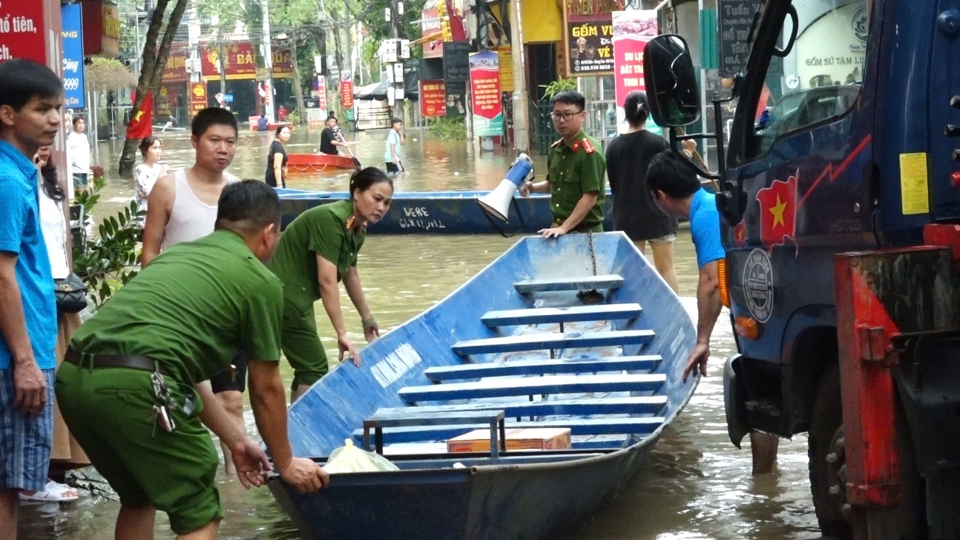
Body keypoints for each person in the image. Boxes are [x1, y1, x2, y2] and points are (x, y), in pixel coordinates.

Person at [57, 181, 329, 539]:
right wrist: (287, 462)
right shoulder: (260, 281)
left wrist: (235, 439)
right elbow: (265, 388)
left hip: (74, 377)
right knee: (199, 505)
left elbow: (178, 370)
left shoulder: (177, 256)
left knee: (138, 495)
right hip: (134, 384)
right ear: (268, 233)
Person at [646, 149, 779, 474]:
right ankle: (768, 480)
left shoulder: (705, 215)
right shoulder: (714, 203)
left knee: (759, 394)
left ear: (660, 196)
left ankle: (763, 479)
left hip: (755, 314)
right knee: (765, 391)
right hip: (767, 306)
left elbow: (710, 280)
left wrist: (702, 339)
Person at [142, 107, 244, 474]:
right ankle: (195, 475)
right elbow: (150, 250)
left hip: (227, 313)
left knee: (231, 399)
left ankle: (238, 490)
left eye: (230, 142)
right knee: (189, 401)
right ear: (195, 141)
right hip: (180, 314)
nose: (223, 149)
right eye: (215, 140)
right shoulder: (169, 187)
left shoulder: (239, 193)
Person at [0, 58, 63, 539]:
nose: (55, 119)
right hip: (12, 359)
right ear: (7, 114)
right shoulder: (5, 181)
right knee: (6, 486)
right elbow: (2, 276)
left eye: (58, 108)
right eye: (43, 109)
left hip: (22, 350)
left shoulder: (18, 174)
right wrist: (24, 360)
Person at [267, 167, 393, 402]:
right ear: (356, 193)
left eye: (387, 203)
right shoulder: (331, 220)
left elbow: (350, 274)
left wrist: (367, 319)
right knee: (314, 367)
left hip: (297, 298)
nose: (381, 208)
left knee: (306, 368)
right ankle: (298, 433)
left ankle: (291, 429)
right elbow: (327, 282)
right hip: (282, 294)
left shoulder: (357, 228)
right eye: (377, 199)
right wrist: (342, 333)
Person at [16, 148, 86, 504]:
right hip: (32, 298)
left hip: (59, 295)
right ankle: (32, 478)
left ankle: (53, 467)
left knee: (63, 380)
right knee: (35, 382)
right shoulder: (13, 184)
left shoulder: (47, 185)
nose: (42, 149)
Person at [605, 91, 680, 293]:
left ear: (625, 113)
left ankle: (636, 313)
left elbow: (614, 186)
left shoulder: (613, 147)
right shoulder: (659, 143)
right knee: (666, 269)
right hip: (659, 215)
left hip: (627, 217)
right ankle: (672, 314)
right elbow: (670, 176)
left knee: (633, 272)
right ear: (648, 114)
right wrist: (687, 152)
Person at [519, 90, 606, 238]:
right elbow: (553, 184)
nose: (561, 120)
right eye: (557, 115)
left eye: (567, 114)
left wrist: (564, 228)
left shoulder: (589, 153)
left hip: (586, 234)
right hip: (558, 230)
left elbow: (590, 198)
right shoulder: (556, 150)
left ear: (582, 116)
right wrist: (532, 188)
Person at [134, 136, 169, 224]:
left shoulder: (160, 168)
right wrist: (161, 174)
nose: (158, 151)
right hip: (145, 215)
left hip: (161, 214)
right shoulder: (140, 169)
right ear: (145, 150)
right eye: (154, 148)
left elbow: (168, 192)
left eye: (159, 148)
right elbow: (150, 193)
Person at [67, 115, 90, 194]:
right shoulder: (72, 137)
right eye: (79, 123)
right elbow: (70, 152)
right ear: (74, 125)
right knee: (79, 189)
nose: (81, 125)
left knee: (85, 188)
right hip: (76, 169)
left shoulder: (84, 137)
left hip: (84, 167)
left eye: (83, 123)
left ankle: (83, 205)